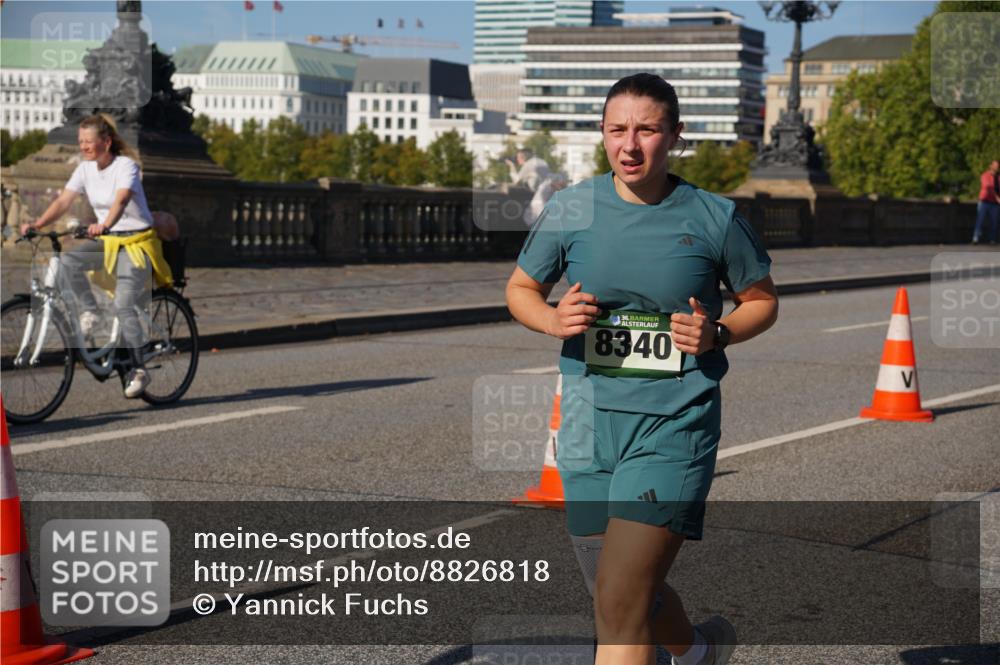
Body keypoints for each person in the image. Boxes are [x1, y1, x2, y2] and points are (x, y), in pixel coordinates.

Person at [505, 73, 778, 665]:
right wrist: (552, 320)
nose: (630, 145)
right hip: (586, 425)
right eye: (616, 129)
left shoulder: (714, 217)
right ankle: (700, 650)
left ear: (675, 135)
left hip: (672, 424)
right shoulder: (571, 207)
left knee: (621, 596)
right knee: (616, 591)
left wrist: (720, 332)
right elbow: (522, 288)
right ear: (603, 135)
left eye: (647, 130)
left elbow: (762, 300)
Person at [20, 113, 172, 399]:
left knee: (125, 304)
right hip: (108, 241)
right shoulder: (84, 168)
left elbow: (122, 198)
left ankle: (138, 367)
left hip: (136, 242)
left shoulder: (125, 166)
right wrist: (38, 224)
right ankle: (91, 309)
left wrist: (106, 224)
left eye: (89, 141)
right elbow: (64, 200)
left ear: (106, 141)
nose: (84, 147)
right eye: (81, 142)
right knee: (67, 263)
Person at [972, 159, 999, 245]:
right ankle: (975, 238)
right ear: (991, 166)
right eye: (995, 165)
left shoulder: (998, 178)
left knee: (994, 222)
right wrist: (997, 197)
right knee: (980, 220)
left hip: (994, 203)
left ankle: (992, 239)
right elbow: (988, 187)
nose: (996, 167)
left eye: (997, 165)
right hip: (984, 201)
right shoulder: (985, 175)